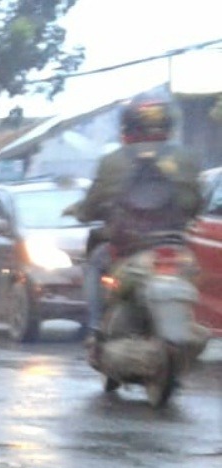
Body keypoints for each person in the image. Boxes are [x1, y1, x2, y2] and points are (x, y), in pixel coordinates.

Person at [71, 98, 203, 341]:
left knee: (95, 265)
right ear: (169, 127)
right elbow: (196, 203)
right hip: (175, 248)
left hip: (128, 249)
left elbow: (92, 205)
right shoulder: (187, 158)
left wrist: (83, 213)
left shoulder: (112, 161)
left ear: (127, 129)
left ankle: (96, 326)